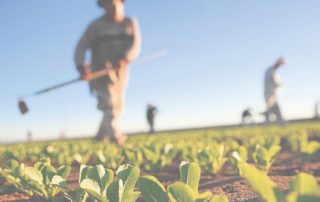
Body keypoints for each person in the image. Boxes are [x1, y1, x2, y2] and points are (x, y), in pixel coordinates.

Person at [74, 0, 141, 144]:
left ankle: (100, 136)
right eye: (108, 4)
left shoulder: (130, 22)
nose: (112, 7)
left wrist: (125, 58)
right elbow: (81, 47)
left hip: (120, 73)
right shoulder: (95, 26)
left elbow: (135, 44)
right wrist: (81, 65)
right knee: (110, 103)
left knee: (118, 105)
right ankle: (115, 136)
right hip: (100, 72)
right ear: (103, 6)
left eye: (115, 3)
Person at [262, 57, 285, 124]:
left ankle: (280, 123)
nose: (280, 66)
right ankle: (277, 123)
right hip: (269, 93)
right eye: (280, 64)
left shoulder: (272, 70)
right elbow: (272, 81)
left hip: (272, 93)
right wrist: (279, 84)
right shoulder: (271, 70)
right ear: (278, 63)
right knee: (271, 109)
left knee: (274, 109)